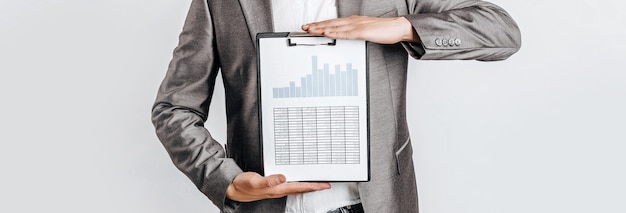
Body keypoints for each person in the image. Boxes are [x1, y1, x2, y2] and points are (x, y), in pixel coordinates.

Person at [151, 0, 521, 212]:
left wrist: (403, 27)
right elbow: (174, 108)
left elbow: (501, 31)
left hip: (377, 204)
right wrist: (226, 181)